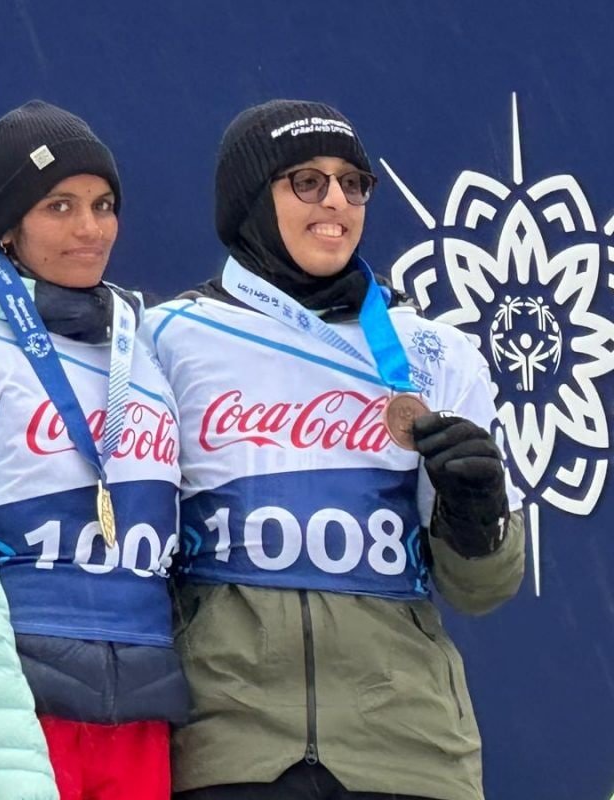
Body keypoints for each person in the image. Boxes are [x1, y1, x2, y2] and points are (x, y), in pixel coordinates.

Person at [145, 100, 526, 800]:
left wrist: (478, 515)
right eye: (307, 182)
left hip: (410, 751)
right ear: (251, 199)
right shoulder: (167, 340)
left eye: (354, 183)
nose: (337, 203)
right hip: (230, 745)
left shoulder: (433, 351)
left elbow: (482, 590)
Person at [0, 101, 190, 800]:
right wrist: (5, 751)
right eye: (59, 207)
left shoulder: (149, 348)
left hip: (140, 709)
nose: (89, 228)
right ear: (10, 230)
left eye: (102, 205)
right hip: (17, 707)